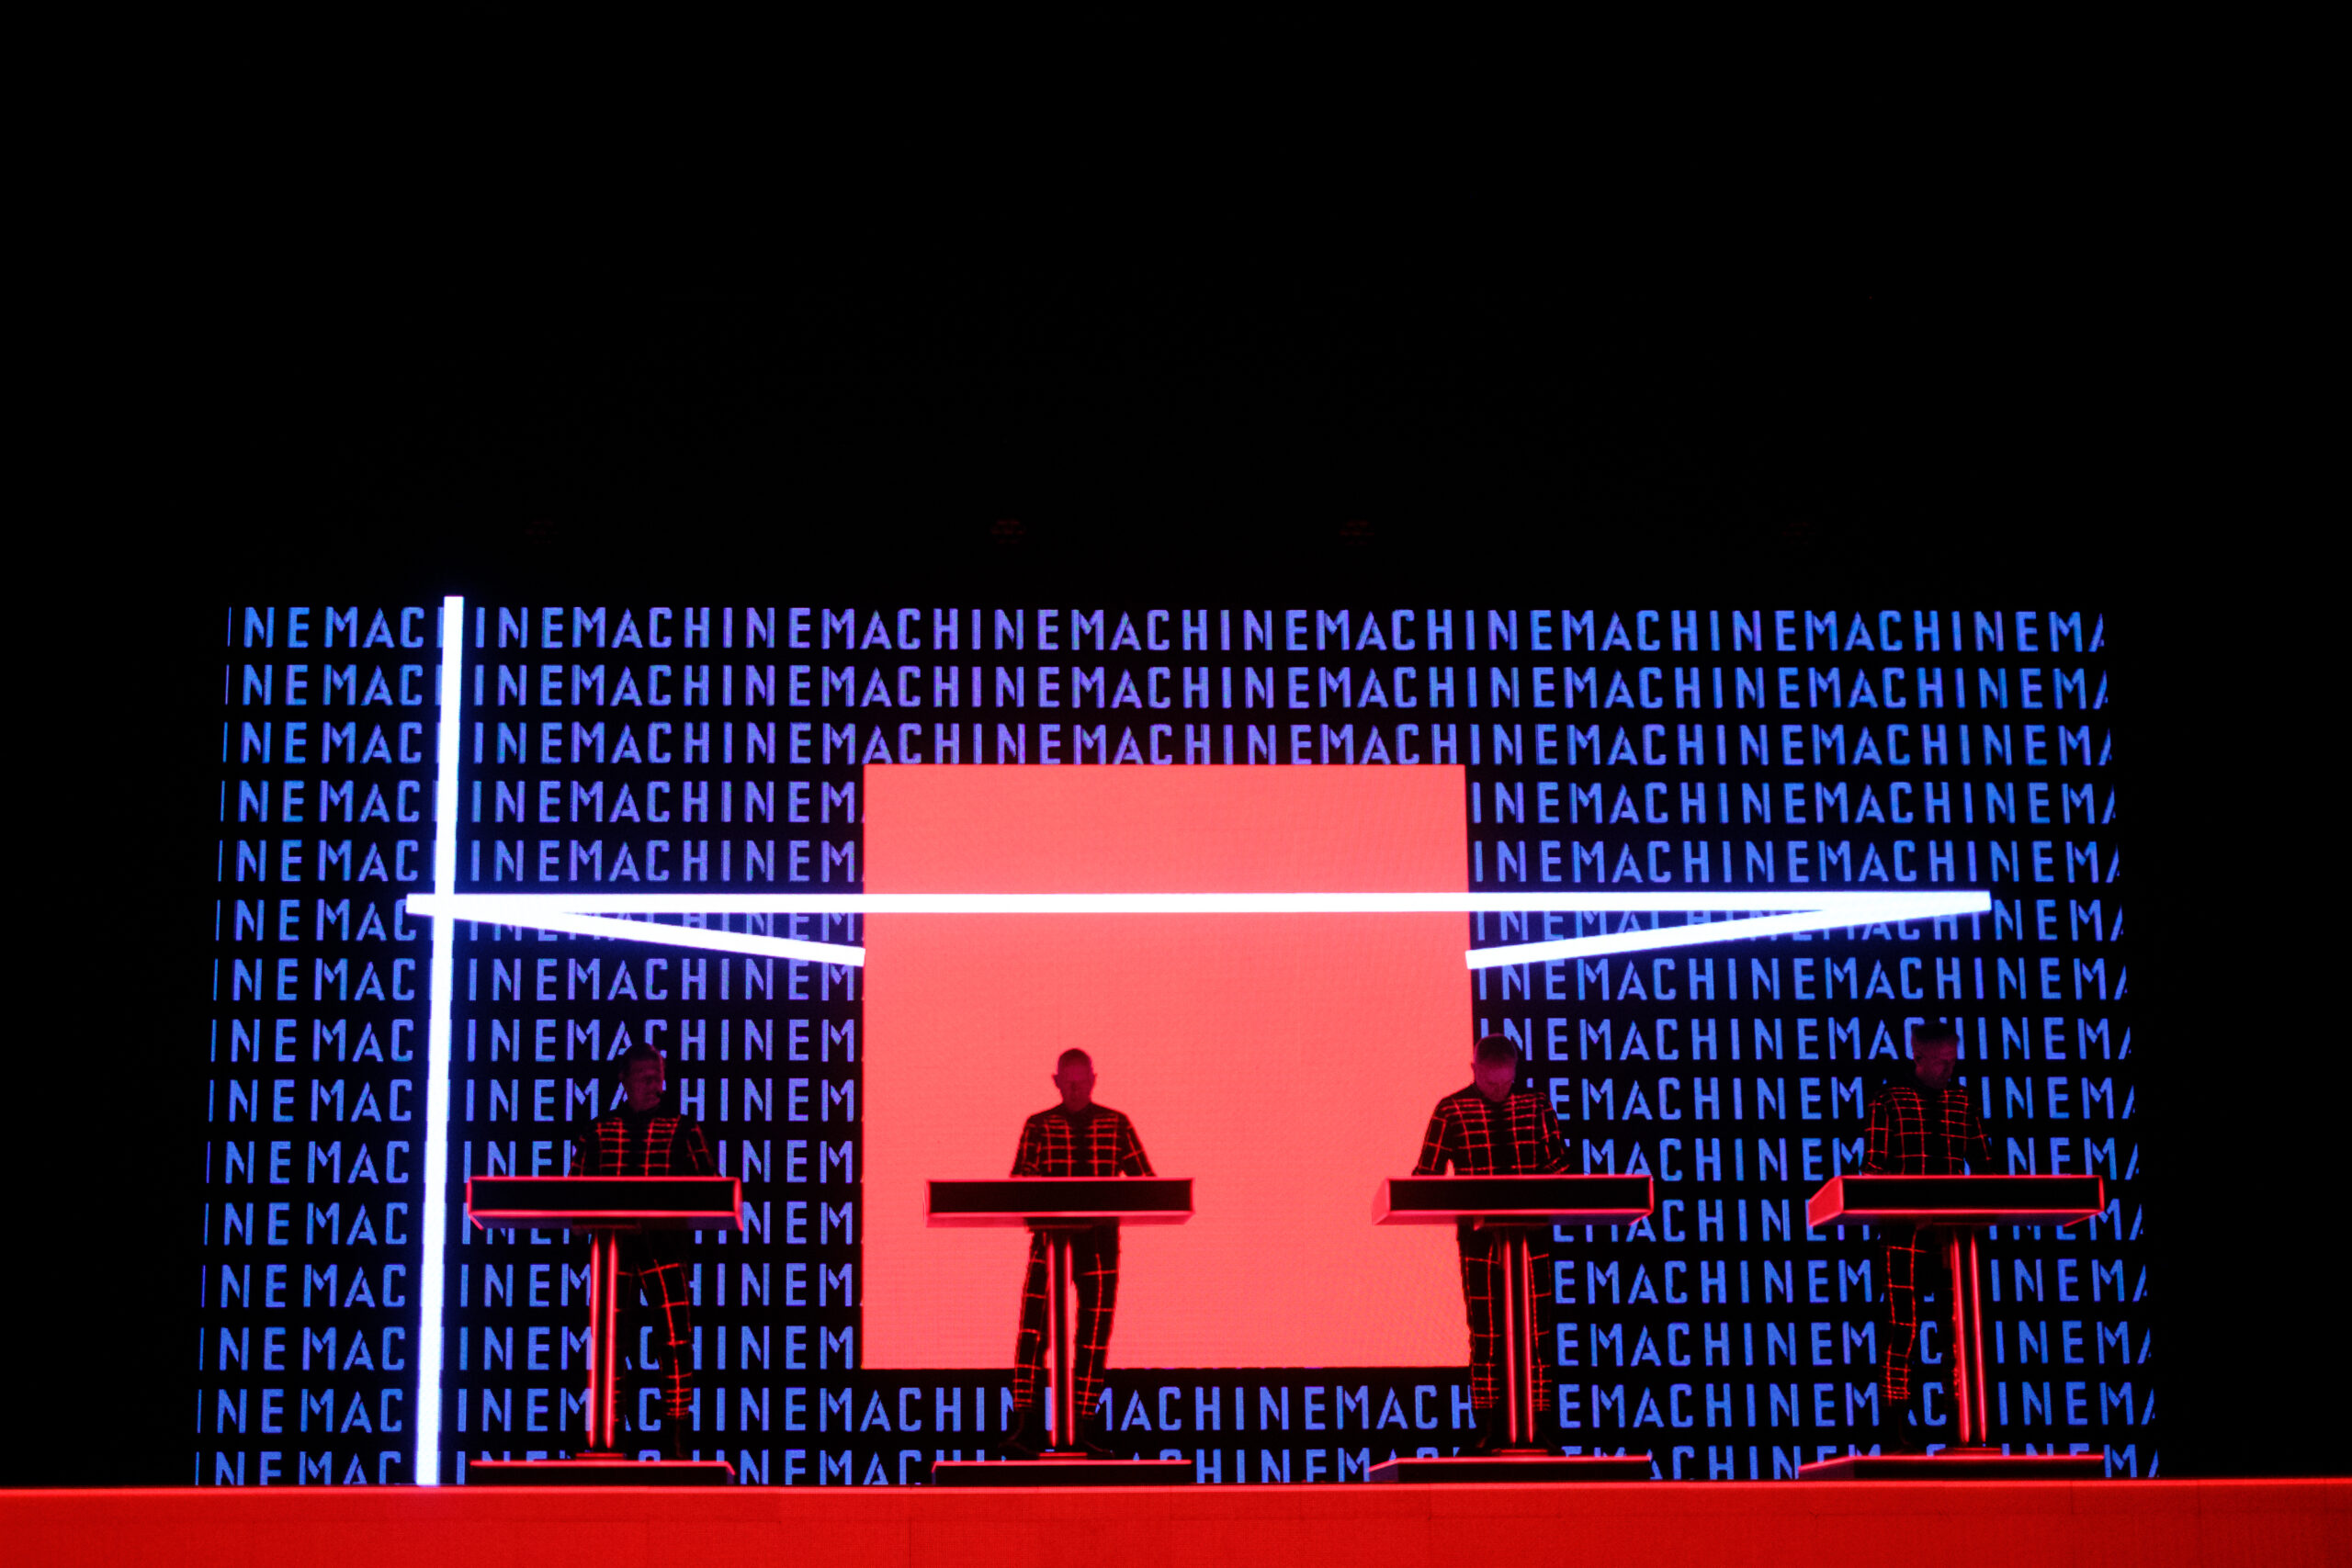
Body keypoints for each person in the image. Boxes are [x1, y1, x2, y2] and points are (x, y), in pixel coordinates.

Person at [1414, 1035, 1571, 1452]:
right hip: (1478, 1241)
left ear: (1515, 1071)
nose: (1499, 1092)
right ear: (1475, 1071)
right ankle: (1488, 1426)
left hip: (1532, 1237)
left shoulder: (1537, 1105)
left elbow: (1562, 1166)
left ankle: (1539, 1424)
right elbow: (1425, 1177)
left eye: (1506, 1084)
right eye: (1491, 1084)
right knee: (1484, 1332)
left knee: (1536, 1330)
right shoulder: (1451, 1109)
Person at [1001, 1048, 1153, 1459]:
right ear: (1055, 1081)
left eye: (1081, 1081)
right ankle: (1027, 1427)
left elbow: (1147, 1185)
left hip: (1101, 1244)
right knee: (1033, 1331)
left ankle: (1083, 1427)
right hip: (1049, 1239)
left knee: (1093, 1335)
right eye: (1067, 1081)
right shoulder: (1039, 1125)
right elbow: (1019, 1181)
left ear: (1093, 1080)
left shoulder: (1116, 1124)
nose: (1074, 1088)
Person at [567, 1042, 715, 1460]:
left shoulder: (684, 1128)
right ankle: (611, 1434)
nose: (654, 1084)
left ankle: (677, 1441)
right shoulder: (597, 1131)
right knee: (611, 1344)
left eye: (659, 1076)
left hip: (666, 1249)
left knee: (675, 1342)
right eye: (645, 1077)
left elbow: (712, 1191)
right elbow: (571, 1192)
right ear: (625, 1080)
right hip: (613, 1252)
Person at [1863, 1018, 1995, 1453]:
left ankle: (1965, 1419)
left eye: (1953, 1063)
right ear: (1917, 1056)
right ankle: (1896, 1425)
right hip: (1904, 1232)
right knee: (1903, 1325)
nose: (1948, 1071)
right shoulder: (1890, 1099)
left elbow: (1985, 1165)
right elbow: (1873, 1168)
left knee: (1960, 1329)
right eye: (1941, 1062)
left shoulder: (1963, 1100)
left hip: (1955, 1238)